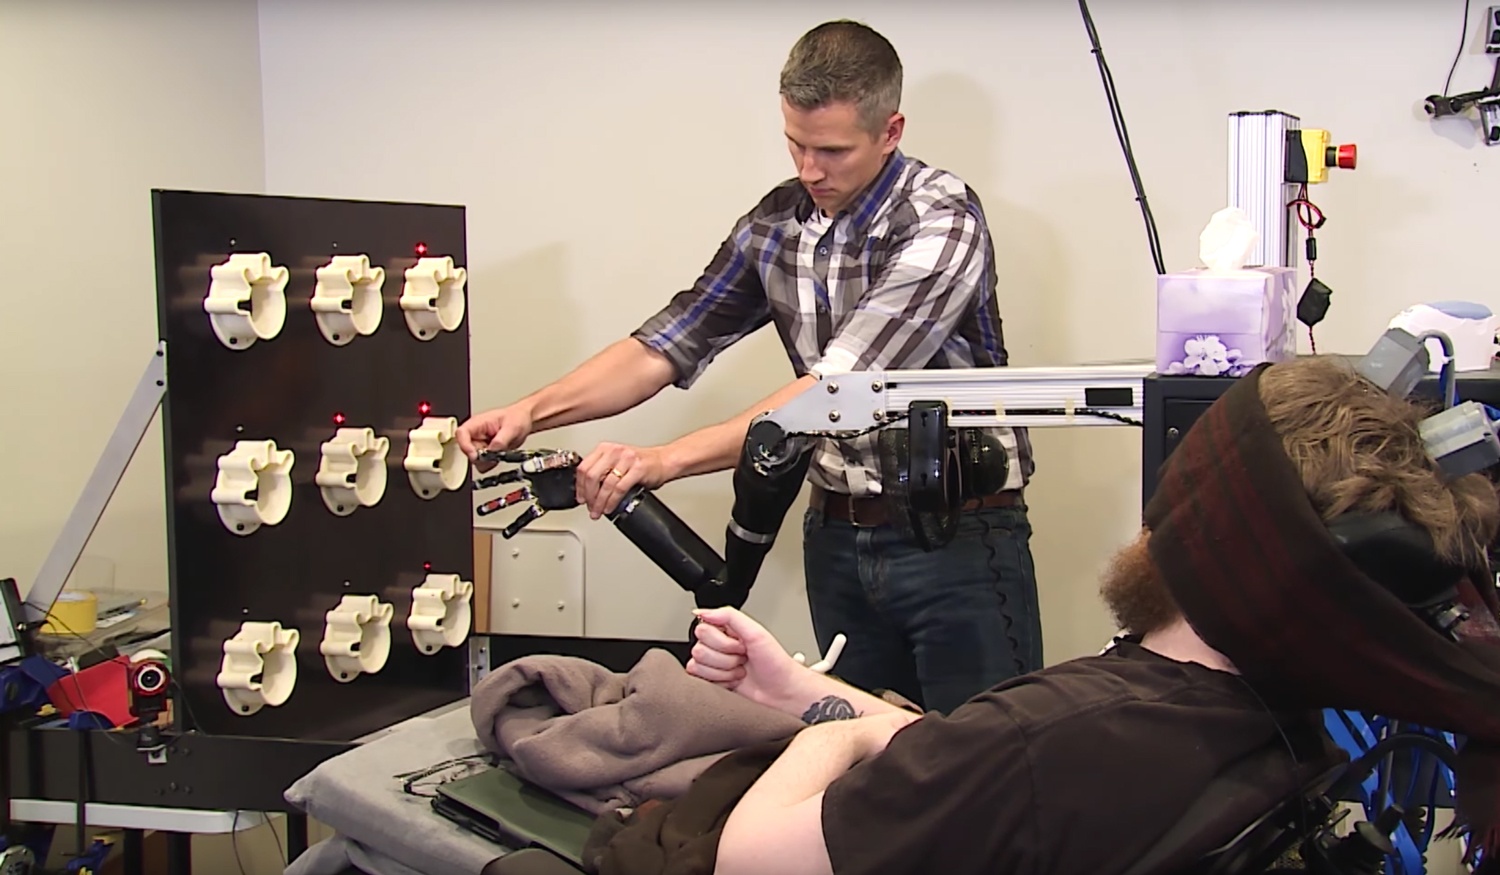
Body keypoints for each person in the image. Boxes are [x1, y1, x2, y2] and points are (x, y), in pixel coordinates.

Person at [680, 355, 1500, 875]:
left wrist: (832, 733)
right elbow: (981, 768)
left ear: (1201, 523)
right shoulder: (1266, 719)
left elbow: (750, 860)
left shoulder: (1054, 739)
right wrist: (799, 691)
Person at [457, 20, 1039, 714]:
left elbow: (837, 392)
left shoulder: (941, 219)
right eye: (795, 143)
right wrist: (531, 411)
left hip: (957, 541)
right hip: (838, 539)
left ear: (891, 131)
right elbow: (668, 341)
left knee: (981, 767)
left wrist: (662, 460)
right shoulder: (776, 222)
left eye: (831, 150)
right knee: (852, 764)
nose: (808, 170)